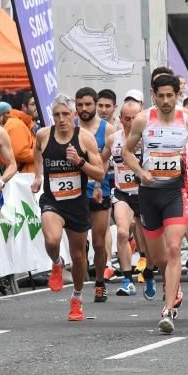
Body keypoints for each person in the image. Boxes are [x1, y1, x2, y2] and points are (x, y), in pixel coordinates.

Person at [124, 73, 188, 334]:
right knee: (159, 257)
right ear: (153, 95)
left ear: (177, 95)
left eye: (170, 96)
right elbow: (126, 152)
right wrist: (141, 173)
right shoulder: (143, 120)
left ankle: (167, 311)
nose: (166, 101)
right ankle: (172, 287)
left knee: (175, 248)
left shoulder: (187, 120)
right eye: (161, 95)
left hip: (175, 193)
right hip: (149, 193)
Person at [33, 94, 104, 321]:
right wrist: (37, 175)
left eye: (65, 114)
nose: (61, 119)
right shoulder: (44, 134)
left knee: (79, 256)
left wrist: (80, 162)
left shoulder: (85, 139)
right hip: (52, 200)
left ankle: (77, 298)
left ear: (73, 115)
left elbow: (100, 173)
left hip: (77, 203)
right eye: (56, 115)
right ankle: (56, 263)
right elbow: (37, 150)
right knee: (52, 240)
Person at [76, 87, 115, 303]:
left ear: (95, 104)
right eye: (80, 105)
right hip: (76, 192)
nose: (84, 109)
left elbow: (105, 161)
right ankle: (80, 288)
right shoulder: (70, 128)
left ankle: (100, 281)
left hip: (100, 190)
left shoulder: (106, 129)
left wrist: (99, 183)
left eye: (88, 104)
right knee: (79, 245)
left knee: (99, 243)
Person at [102, 100, 143, 297]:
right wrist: (96, 183)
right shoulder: (113, 139)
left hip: (146, 193)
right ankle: (128, 280)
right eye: (127, 119)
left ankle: (150, 271)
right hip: (122, 193)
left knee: (151, 242)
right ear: (121, 119)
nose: (132, 122)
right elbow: (102, 160)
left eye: (135, 118)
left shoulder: (150, 138)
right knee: (121, 232)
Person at [0, 101, 34, 175]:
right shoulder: (15, 124)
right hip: (23, 174)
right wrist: (41, 154)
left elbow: (19, 153)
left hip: (23, 174)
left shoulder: (13, 124)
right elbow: (19, 153)